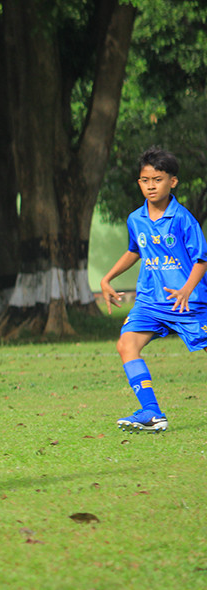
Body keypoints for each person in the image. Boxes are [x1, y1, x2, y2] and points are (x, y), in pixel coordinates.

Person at [100, 146, 207, 433]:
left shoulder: (183, 218)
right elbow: (134, 250)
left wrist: (185, 289)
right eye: (145, 180)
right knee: (126, 344)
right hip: (150, 301)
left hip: (189, 302)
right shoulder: (136, 219)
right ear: (139, 182)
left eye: (157, 180)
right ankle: (151, 411)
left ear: (172, 181)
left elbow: (201, 259)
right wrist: (107, 278)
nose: (150, 186)